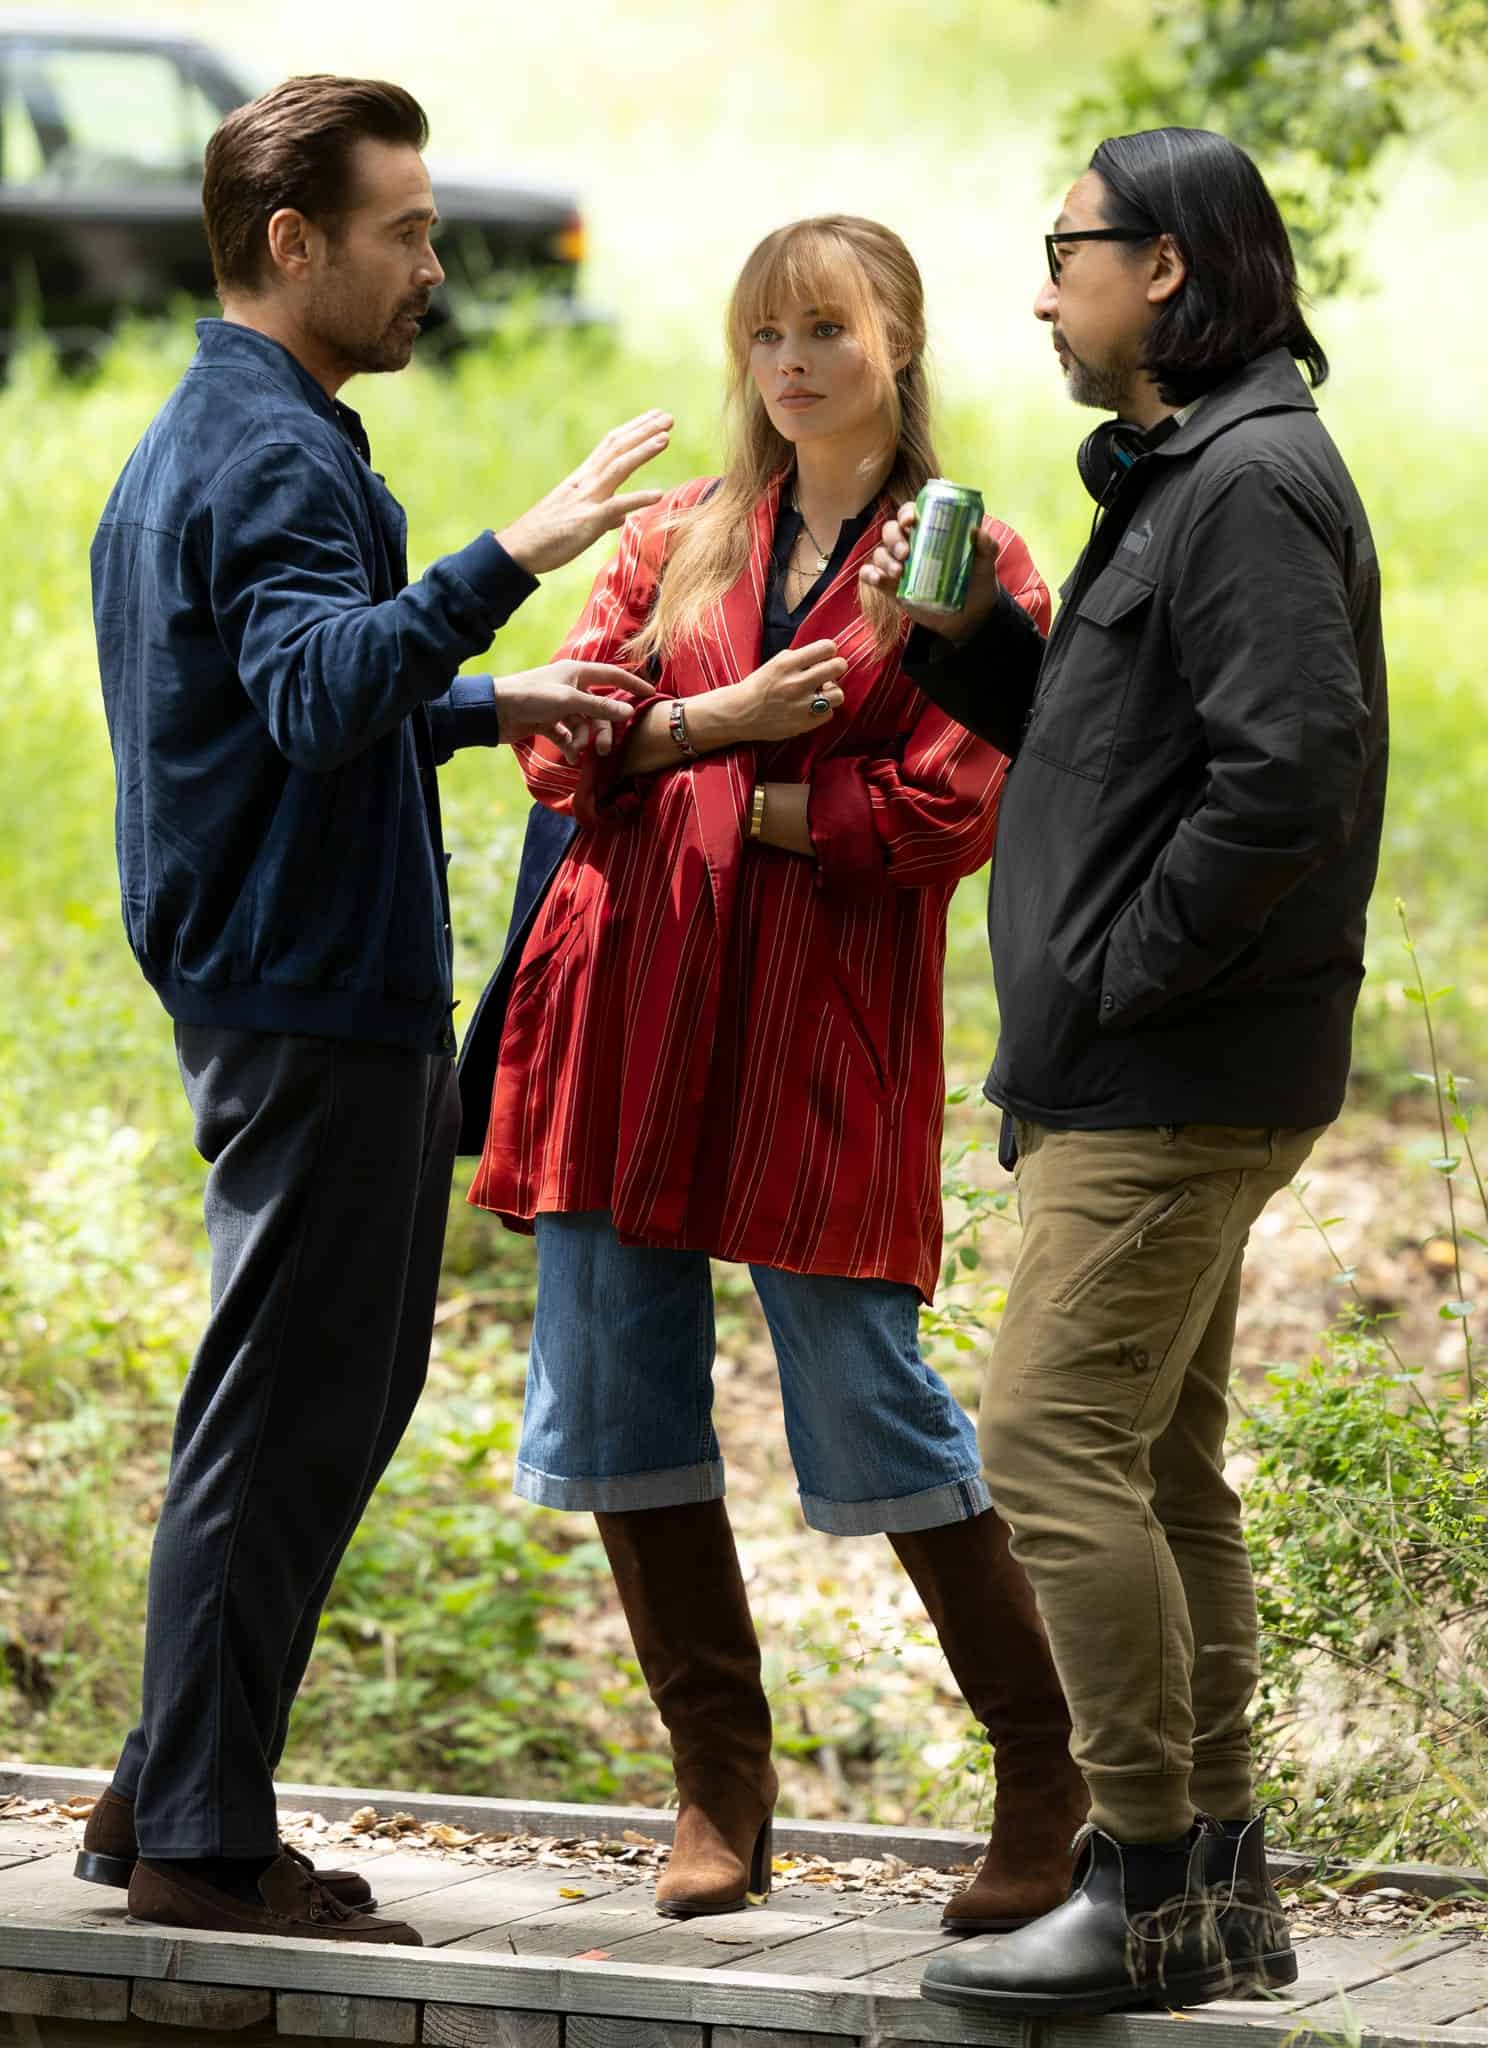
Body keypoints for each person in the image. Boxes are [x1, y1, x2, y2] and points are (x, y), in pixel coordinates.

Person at [83, 72, 670, 1946]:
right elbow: (324, 692)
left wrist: (494, 706)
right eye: (404, 234)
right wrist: (511, 563)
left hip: (301, 978)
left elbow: (288, 715)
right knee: (289, 1409)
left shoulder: (254, 426)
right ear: (294, 242)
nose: (434, 264)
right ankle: (195, 1841)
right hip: (308, 995)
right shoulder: (262, 451)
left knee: (317, 1397)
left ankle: (173, 1782)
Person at [460, 213, 1089, 1926]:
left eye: (825, 328)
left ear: (899, 336)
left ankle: (1048, 1776)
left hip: (822, 1020)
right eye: (764, 335)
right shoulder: (674, 536)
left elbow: (951, 804)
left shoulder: (977, 557)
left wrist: (720, 785)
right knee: (616, 1393)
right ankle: (716, 1791)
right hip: (630, 1008)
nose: (792, 363)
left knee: (867, 1384)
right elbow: (555, 748)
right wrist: (714, 742)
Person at [860, 129, 1387, 2016]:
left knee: (1046, 1447)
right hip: (1169, 1060)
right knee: (1161, 1468)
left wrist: (1127, 971)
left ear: (1162, 267)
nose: (1039, 289)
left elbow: (1287, 775)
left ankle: (1143, 1872)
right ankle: (1224, 1889)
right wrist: (973, 653)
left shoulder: (1242, 480)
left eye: (1065, 251)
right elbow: (1140, 744)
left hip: (1167, 1072)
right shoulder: (1194, 471)